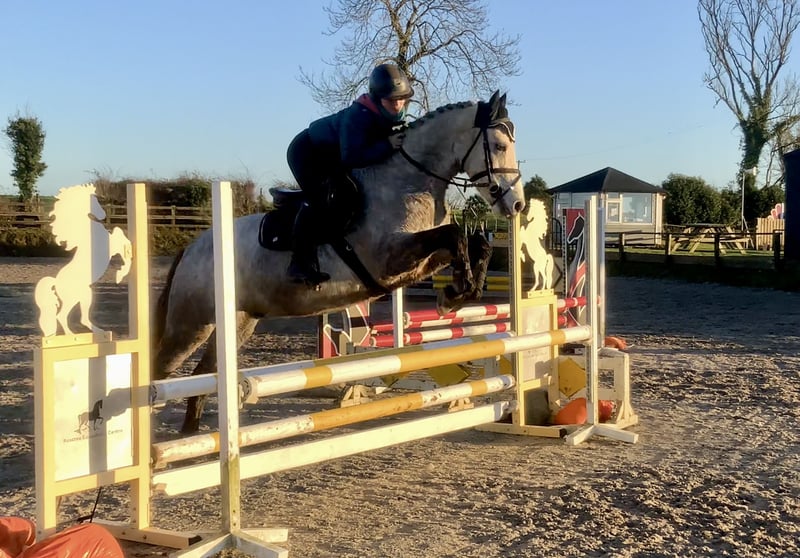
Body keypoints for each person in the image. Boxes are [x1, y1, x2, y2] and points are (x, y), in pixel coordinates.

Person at [285, 62, 414, 287]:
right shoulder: (358, 116)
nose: (397, 104)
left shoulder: (392, 116)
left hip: (332, 156)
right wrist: (387, 145)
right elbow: (352, 157)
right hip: (307, 153)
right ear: (378, 99)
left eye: (401, 98)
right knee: (325, 197)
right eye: (391, 100)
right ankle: (299, 263)